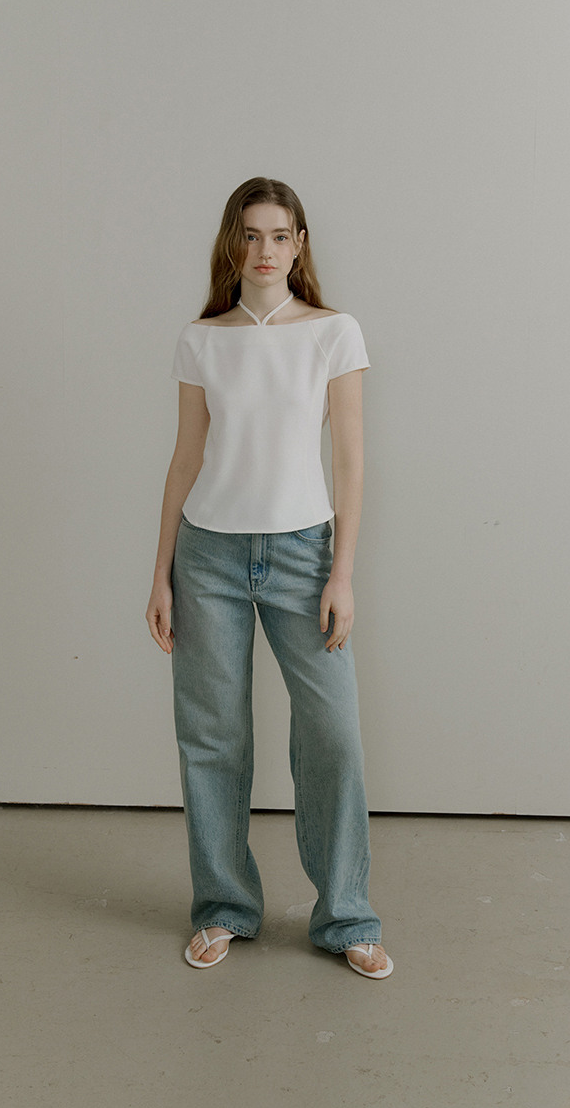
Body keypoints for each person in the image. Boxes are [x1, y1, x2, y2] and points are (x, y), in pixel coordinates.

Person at [146, 175, 391, 981]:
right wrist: (160, 573)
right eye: (250, 235)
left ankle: (346, 916)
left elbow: (350, 463)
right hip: (207, 556)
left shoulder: (333, 333)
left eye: (280, 235)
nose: (264, 250)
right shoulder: (202, 338)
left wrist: (342, 573)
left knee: (333, 736)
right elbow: (185, 459)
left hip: (303, 555)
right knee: (213, 737)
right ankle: (223, 907)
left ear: (299, 244)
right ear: (232, 243)